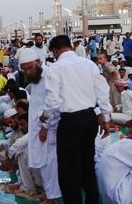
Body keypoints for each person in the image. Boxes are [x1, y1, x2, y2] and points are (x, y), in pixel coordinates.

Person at [43, 35, 111, 204]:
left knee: (68, 169)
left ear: (55, 50)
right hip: (89, 119)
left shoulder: (55, 68)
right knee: (87, 163)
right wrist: (106, 116)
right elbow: (102, 91)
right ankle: (92, 201)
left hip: (70, 121)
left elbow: (53, 101)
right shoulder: (89, 64)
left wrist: (44, 119)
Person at [19, 48, 60, 202]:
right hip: (37, 126)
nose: (28, 72)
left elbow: (54, 104)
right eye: (24, 70)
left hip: (48, 128)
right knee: (41, 163)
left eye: (30, 68)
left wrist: (45, 127)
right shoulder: (35, 79)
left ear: (38, 62)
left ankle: (53, 197)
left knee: (50, 163)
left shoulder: (48, 75)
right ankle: (48, 192)